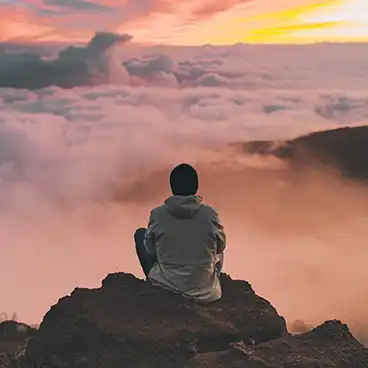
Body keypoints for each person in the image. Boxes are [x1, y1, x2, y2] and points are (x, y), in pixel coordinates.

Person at [134, 163, 226, 302]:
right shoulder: (209, 214)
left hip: (166, 284)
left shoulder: (157, 214)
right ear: (196, 187)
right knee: (217, 243)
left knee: (141, 234)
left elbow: (151, 251)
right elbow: (220, 247)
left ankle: (156, 283)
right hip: (205, 290)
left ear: (172, 187)